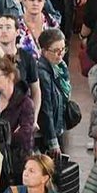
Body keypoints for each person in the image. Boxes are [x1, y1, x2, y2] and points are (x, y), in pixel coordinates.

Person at [0, 56, 35, 177]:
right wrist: (10, 134)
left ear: (10, 76)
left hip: (17, 163)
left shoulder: (25, 103)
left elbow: (24, 136)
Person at [37, 28, 71, 156]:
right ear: (44, 51)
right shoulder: (42, 75)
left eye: (63, 49)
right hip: (48, 135)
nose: (60, 54)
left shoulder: (60, 68)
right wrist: (53, 141)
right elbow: (46, 110)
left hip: (58, 128)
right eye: (56, 51)